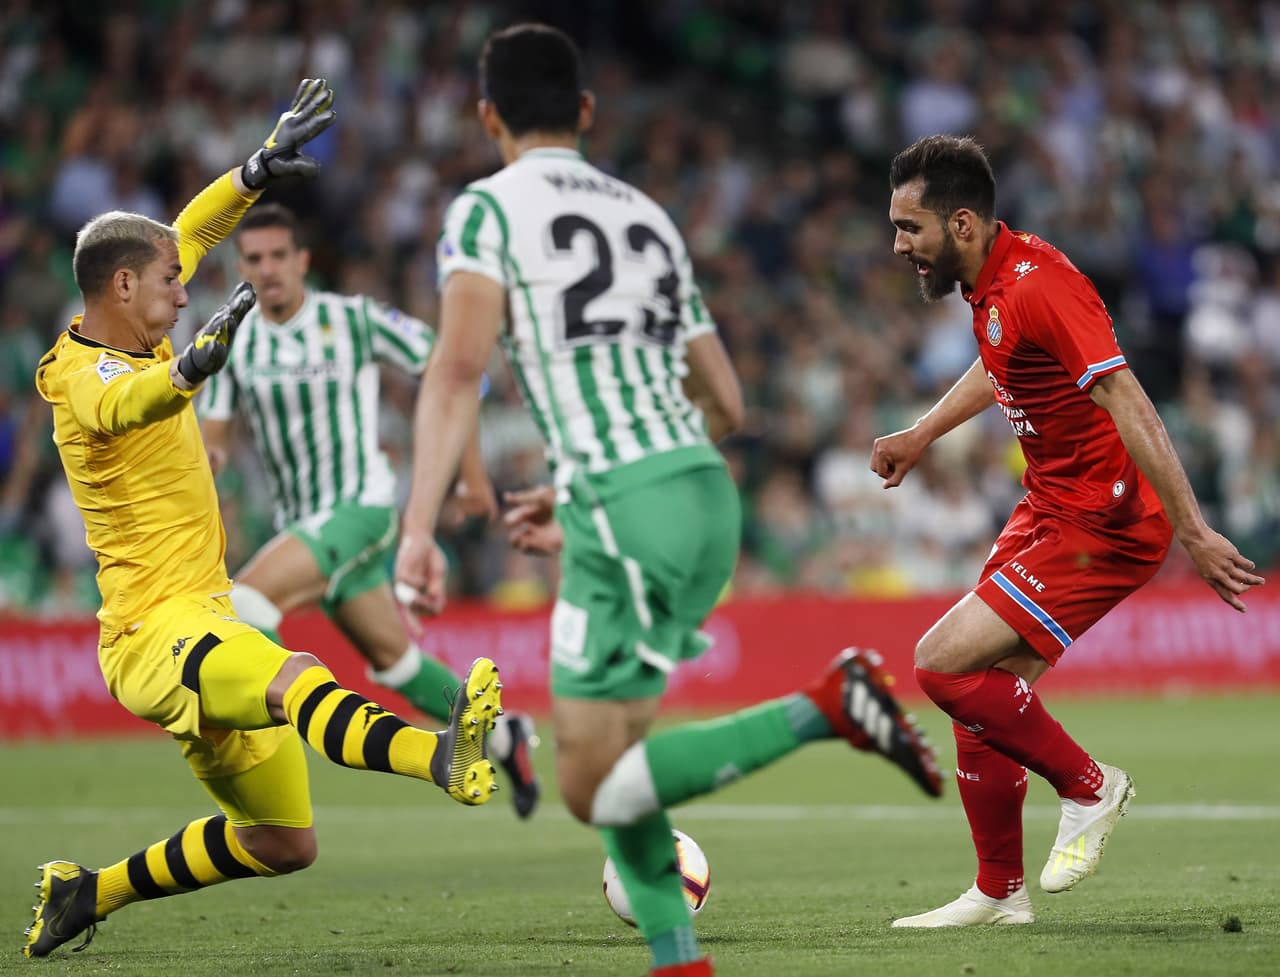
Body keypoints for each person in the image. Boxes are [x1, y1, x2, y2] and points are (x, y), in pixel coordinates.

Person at [392, 25, 943, 977]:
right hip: (695, 495)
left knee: (589, 785)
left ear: (488, 117)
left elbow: (456, 371)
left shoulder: (484, 212)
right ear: (589, 114)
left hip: (623, 507)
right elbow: (725, 402)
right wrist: (587, 487)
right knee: (617, 772)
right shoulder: (646, 217)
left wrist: (417, 528)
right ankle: (679, 959)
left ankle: (828, 705)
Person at [24, 80, 504, 960]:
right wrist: (190, 373)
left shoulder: (140, 322)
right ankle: (437, 755)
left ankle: (87, 891)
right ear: (122, 286)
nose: (189, 284)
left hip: (200, 612)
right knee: (297, 671)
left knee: (284, 842)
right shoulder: (77, 372)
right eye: (171, 281)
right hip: (150, 631)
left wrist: (251, 171)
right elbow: (121, 409)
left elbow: (190, 232)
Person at [876, 134, 1265, 927]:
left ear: (961, 224)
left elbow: (1128, 398)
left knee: (940, 666)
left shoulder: (1042, 283)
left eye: (910, 228)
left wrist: (1192, 529)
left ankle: (1091, 785)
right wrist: (922, 432)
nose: (898, 245)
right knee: (986, 695)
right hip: (1051, 503)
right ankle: (998, 892)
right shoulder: (990, 284)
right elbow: (1002, 362)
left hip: (1105, 519)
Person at [198, 202, 540, 819]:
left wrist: (469, 474)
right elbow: (214, 439)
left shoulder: (351, 319)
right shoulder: (233, 339)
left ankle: (278, 743)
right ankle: (509, 734)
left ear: (303, 260)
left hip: (362, 509)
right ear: (240, 267)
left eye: (280, 255)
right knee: (397, 662)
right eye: (254, 259)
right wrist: (204, 469)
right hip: (303, 529)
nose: (269, 269)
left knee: (244, 604)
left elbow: (450, 368)